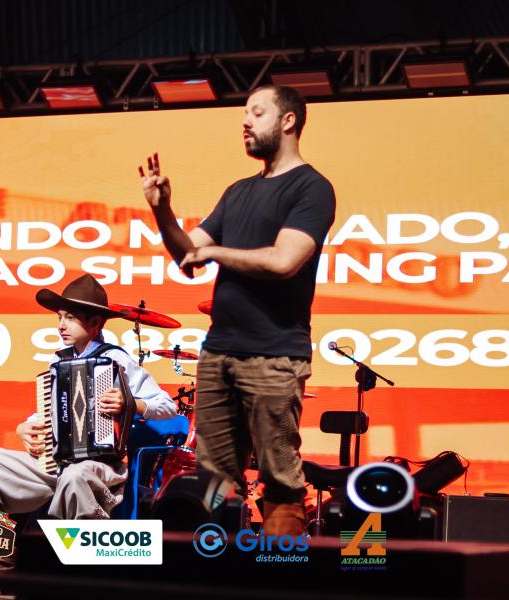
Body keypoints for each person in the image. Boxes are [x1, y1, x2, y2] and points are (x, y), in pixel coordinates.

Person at [139, 85, 335, 536]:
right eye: (245, 114)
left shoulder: (312, 187)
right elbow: (188, 255)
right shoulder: (238, 191)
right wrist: (163, 212)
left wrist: (215, 253)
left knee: (279, 479)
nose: (245, 122)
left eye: (257, 113)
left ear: (288, 121)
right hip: (219, 353)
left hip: (273, 356)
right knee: (212, 479)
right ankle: (213, 563)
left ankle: (281, 570)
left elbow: (284, 261)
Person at [0, 274, 176, 527]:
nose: (61, 325)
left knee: (74, 476)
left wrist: (130, 403)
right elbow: (51, 411)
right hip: (54, 465)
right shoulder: (59, 362)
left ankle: (75, 549)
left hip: (98, 467)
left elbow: (167, 406)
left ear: (95, 322)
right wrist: (25, 427)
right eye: (59, 317)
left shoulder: (116, 360)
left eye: (70, 318)